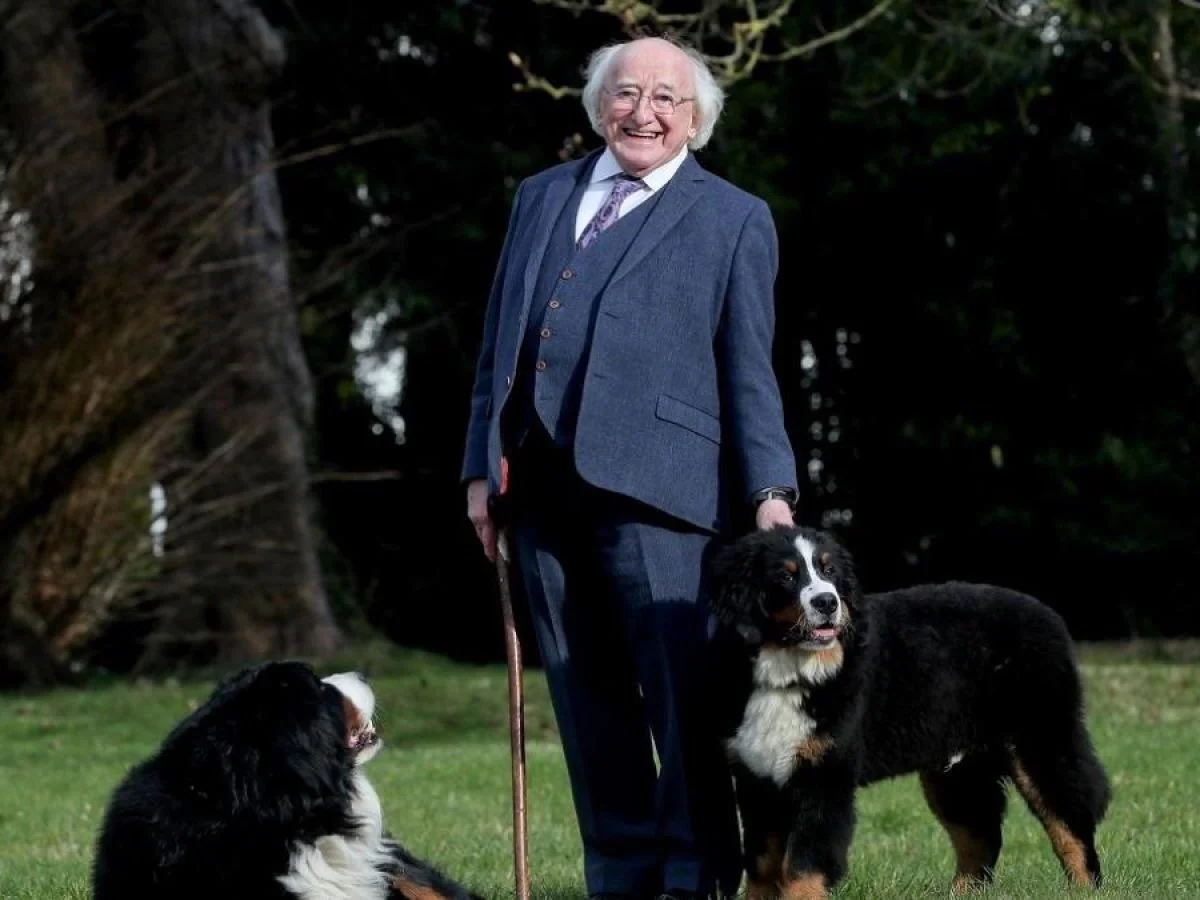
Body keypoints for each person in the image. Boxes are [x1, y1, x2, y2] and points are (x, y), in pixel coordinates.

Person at [461, 35, 798, 900]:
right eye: (624, 93)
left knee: (682, 703)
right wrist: (478, 467)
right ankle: (620, 877)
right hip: (535, 490)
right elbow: (499, 343)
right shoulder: (541, 196)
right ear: (597, 104)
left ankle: (697, 879)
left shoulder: (732, 217)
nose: (640, 111)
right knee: (586, 701)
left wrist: (769, 493)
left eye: (663, 98)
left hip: (666, 495)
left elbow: (749, 370)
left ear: (695, 119)